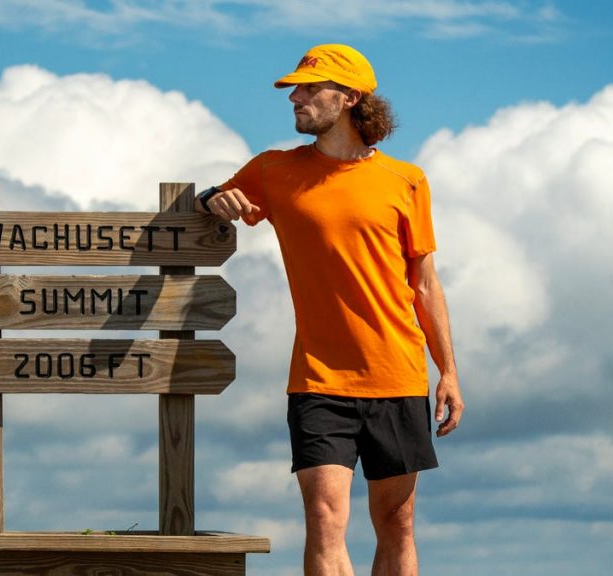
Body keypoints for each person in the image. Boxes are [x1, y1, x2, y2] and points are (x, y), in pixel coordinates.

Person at [196, 44, 463, 575]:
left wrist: (449, 372)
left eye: (309, 89)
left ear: (349, 98)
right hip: (318, 380)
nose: (296, 97)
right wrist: (210, 199)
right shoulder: (274, 171)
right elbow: (210, 199)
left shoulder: (406, 180)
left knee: (397, 522)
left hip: (398, 375)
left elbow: (425, 286)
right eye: (295, 89)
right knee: (323, 518)